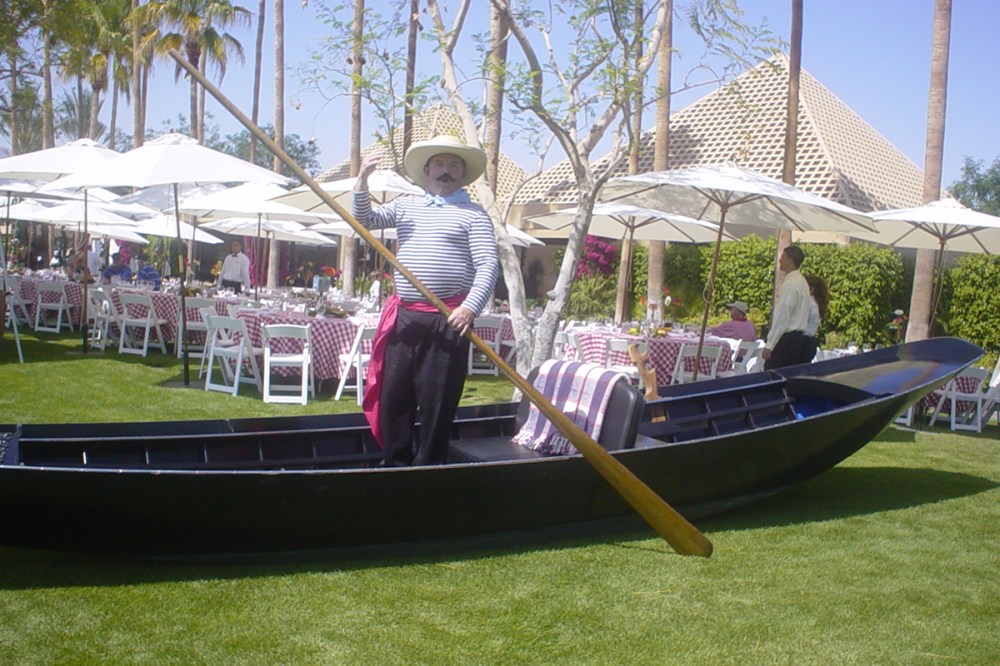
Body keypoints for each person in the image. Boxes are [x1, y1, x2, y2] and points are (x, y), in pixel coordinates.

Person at [354, 135, 499, 467]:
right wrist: (362, 181)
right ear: (427, 170)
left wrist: (469, 308)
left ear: (462, 175)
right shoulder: (406, 205)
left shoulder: (474, 215)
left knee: (437, 403)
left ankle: (429, 469)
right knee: (394, 397)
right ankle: (394, 463)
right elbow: (366, 221)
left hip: (448, 321)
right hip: (405, 318)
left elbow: (488, 265)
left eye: (453, 165)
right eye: (439, 164)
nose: (445, 171)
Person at [762, 245, 813, 369]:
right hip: (798, 339)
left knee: (774, 375)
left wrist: (770, 345)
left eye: (783, 257)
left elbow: (783, 317)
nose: (780, 260)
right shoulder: (802, 282)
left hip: (787, 340)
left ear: (791, 261)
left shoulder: (791, 284)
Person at [803, 274, 829, 359]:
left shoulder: (808, 303)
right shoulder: (817, 305)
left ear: (811, 289)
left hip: (801, 341)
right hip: (809, 341)